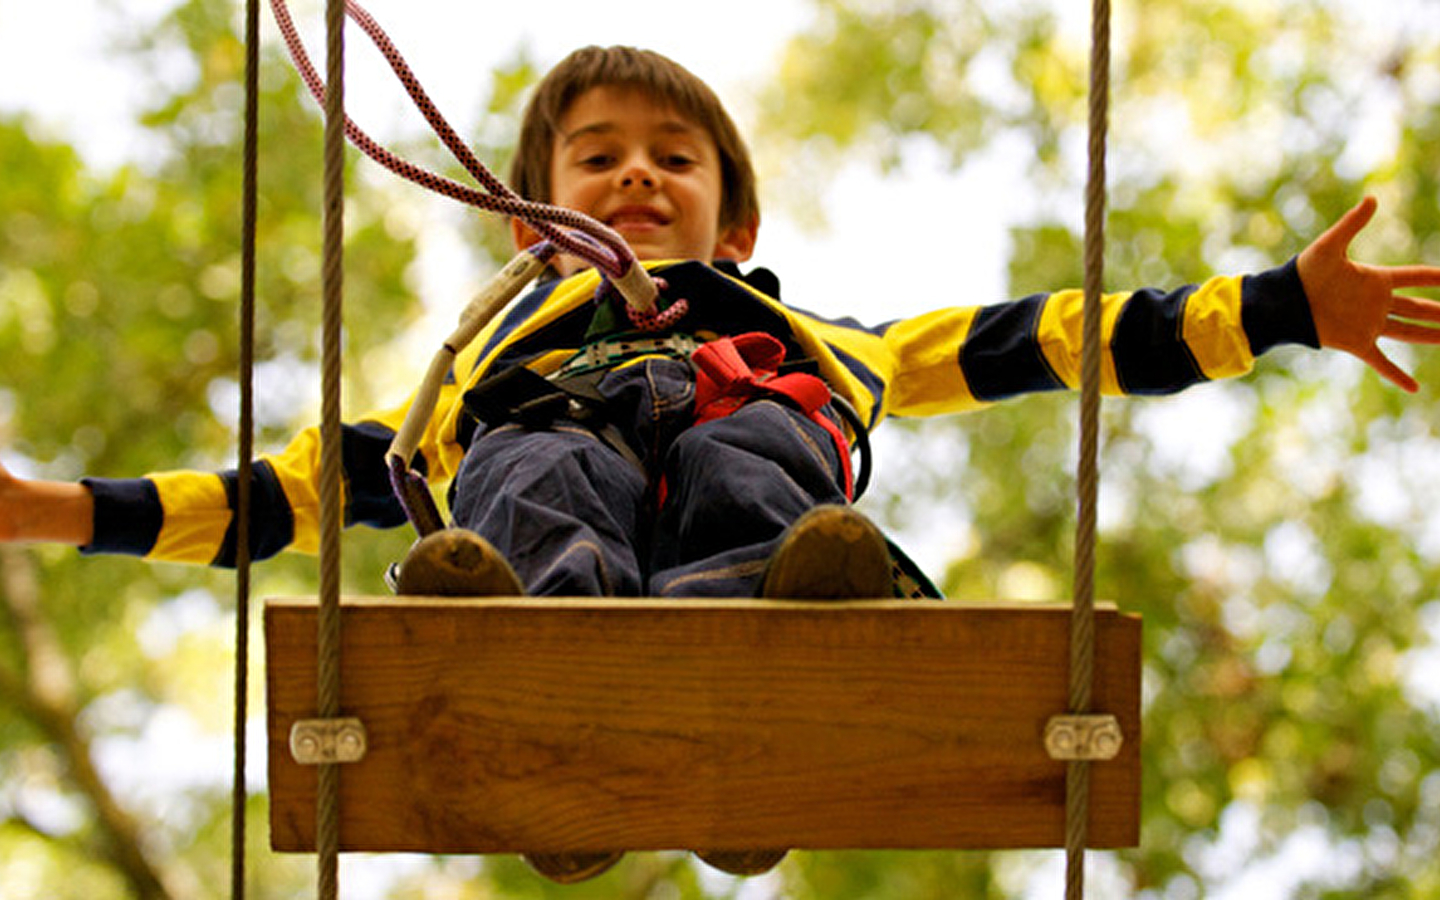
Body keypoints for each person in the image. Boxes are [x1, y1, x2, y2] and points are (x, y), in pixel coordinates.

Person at [4, 44, 1440, 881]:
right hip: (530, 510)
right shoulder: (465, 398)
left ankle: (767, 640)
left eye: (675, 159)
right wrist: (51, 509)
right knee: (529, 467)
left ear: (733, 222)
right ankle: (543, 676)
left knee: (758, 446)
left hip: (754, 515)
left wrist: (1280, 311)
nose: (637, 175)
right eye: (598, 157)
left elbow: (1044, 341)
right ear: (532, 219)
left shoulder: (824, 342)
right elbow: (265, 503)